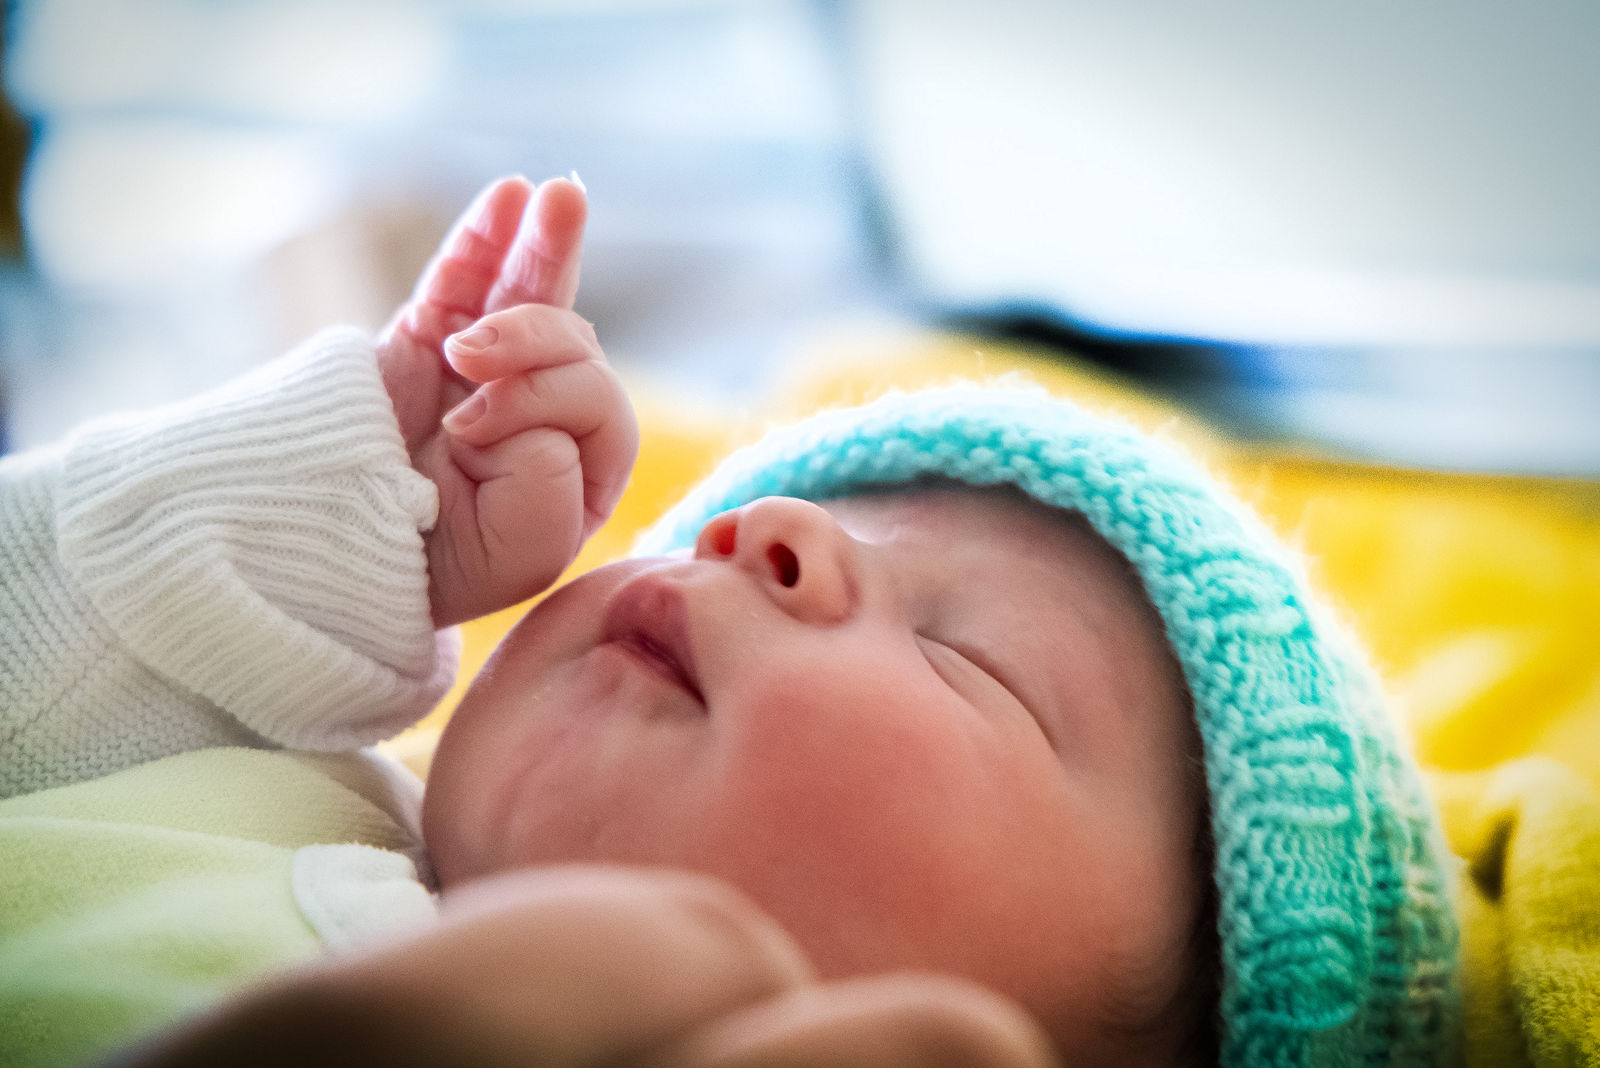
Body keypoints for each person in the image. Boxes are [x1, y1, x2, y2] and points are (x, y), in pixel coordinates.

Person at [0, 175, 1459, 1068]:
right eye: (813, 518)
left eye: (967, 660)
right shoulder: (258, 771)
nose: (774, 531)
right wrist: (295, 514)